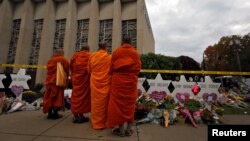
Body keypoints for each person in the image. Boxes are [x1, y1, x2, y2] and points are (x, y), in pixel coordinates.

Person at [106, 36, 141, 137]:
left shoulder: (116, 52)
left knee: (119, 106)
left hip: (118, 83)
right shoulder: (135, 53)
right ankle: (128, 130)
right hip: (131, 82)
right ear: (131, 42)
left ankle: (121, 130)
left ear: (122, 42)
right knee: (130, 106)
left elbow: (111, 68)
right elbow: (138, 69)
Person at [88, 42, 111, 129]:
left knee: (95, 103)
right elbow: (111, 70)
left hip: (94, 83)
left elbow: (89, 70)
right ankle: (103, 123)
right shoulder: (109, 57)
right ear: (106, 48)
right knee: (104, 103)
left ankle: (96, 123)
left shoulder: (92, 56)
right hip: (105, 83)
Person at [43, 48, 70, 119]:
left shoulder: (50, 60)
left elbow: (48, 70)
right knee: (57, 97)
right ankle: (55, 113)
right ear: (61, 53)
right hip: (58, 81)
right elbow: (67, 68)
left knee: (49, 97)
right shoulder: (62, 59)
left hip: (49, 82)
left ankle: (49, 113)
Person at [70, 45, 91, 123]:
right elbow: (90, 68)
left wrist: (73, 74)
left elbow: (71, 67)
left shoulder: (75, 56)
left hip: (76, 79)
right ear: (88, 49)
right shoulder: (89, 56)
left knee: (75, 96)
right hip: (84, 80)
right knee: (83, 98)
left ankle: (75, 116)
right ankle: (81, 116)